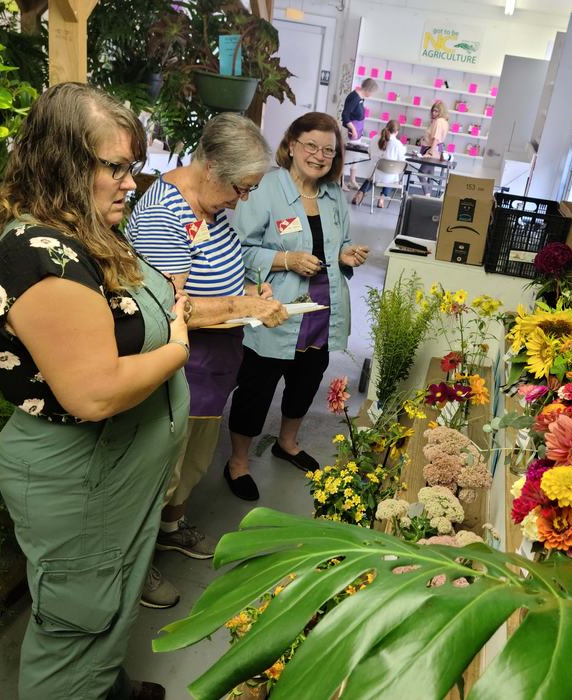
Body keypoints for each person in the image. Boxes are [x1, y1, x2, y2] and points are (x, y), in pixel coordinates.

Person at [0, 83, 189, 700]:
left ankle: (102, 687)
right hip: (80, 473)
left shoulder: (85, 230)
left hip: (114, 468)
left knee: (109, 598)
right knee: (78, 614)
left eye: (133, 167)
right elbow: (94, 395)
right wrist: (176, 347)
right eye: (114, 167)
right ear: (65, 164)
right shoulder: (41, 257)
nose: (130, 183)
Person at [125, 113, 288, 609]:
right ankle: (134, 566)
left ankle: (172, 528)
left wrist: (248, 290)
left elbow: (216, 276)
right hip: (174, 366)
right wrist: (244, 306)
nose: (243, 200)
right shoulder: (163, 212)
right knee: (158, 468)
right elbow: (171, 309)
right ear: (211, 165)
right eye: (241, 187)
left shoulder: (213, 209)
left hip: (213, 364)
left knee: (193, 459)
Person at [226, 112, 370, 499]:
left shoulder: (334, 194)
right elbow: (238, 248)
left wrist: (347, 253)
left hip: (323, 309)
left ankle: (286, 442)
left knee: (306, 380)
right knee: (256, 386)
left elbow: (337, 243)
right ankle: (238, 462)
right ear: (291, 145)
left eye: (328, 150)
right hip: (276, 310)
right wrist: (286, 260)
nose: (319, 156)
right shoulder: (265, 189)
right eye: (311, 145)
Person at [350, 119, 407, 208]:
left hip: (374, 174)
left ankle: (360, 192)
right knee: (392, 176)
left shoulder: (375, 138)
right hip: (389, 177)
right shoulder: (398, 144)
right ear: (396, 132)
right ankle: (382, 198)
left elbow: (369, 153)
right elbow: (402, 163)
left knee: (372, 178)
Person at [341, 77, 378, 190]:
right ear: (368, 90)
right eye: (372, 92)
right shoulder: (354, 97)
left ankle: (352, 180)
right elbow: (345, 115)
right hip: (351, 132)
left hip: (357, 132)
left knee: (355, 157)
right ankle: (340, 181)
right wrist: (352, 128)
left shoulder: (361, 98)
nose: (372, 95)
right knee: (346, 158)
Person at [418, 99, 450, 197]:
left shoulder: (439, 122)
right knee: (430, 174)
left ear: (441, 112)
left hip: (431, 149)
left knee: (421, 172)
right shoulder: (443, 122)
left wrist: (430, 152)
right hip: (434, 149)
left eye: (436, 111)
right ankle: (429, 195)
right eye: (433, 110)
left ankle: (427, 195)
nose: (433, 113)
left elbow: (436, 139)